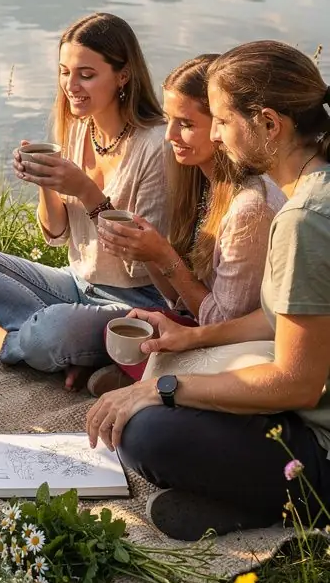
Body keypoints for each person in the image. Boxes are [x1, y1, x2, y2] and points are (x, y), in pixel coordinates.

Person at [87, 40, 330, 541]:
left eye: (220, 120)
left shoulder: (304, 219)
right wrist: (193, 339)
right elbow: (285, 316)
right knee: (171, 382)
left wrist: (163, 390)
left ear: (268, 124)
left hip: (321, 447)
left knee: (143, 431)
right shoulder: (313, 190)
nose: (215, 136)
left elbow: (296, 383)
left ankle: (289, 506)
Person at [0, 12, 169, 387]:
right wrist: (44, 181)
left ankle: (9, 339)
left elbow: (141, 264)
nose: (71, 85)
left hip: (138, 302)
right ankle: (86, 349)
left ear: (123, 75)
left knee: (55, 330)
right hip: (77, 283)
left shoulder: (155, 145)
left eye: (86, 73)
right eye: (64, 72)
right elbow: (57, 234)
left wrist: (86, 190)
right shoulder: (82, 128)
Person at [91, 54, 284, 395]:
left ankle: (150, 375)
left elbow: (221, 324)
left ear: (219, 125)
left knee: (86, 333)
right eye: (168, 120)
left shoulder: (248, 208)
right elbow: (176, 300)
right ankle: (143, 371)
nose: (169, 135)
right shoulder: (197, 182)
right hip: (199, 329)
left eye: (185, 123)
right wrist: (146, 251)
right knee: (119, 329)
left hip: (240, 344)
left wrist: (164, 256)